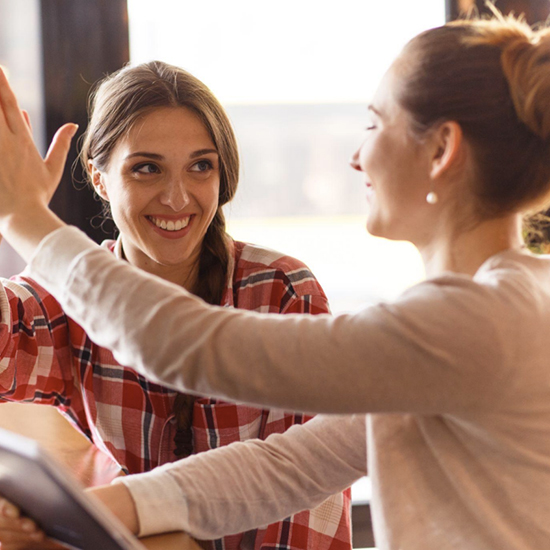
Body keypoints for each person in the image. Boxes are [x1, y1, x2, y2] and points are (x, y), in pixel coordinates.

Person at [1, 9, 550, 550]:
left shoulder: (474, 323)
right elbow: (284, 468)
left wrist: (25, 219)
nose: (357, 156)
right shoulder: (490, 310)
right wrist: (76, 516)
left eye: (374, 123)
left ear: (441, 150)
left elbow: (187, 346)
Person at [0, 62, 352, 550]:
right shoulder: (65, 295)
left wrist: (24, 216)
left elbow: (306, 503)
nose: (177, 196)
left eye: (200, 166)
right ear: (99, 179)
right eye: (147, 168)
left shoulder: (280, 290)